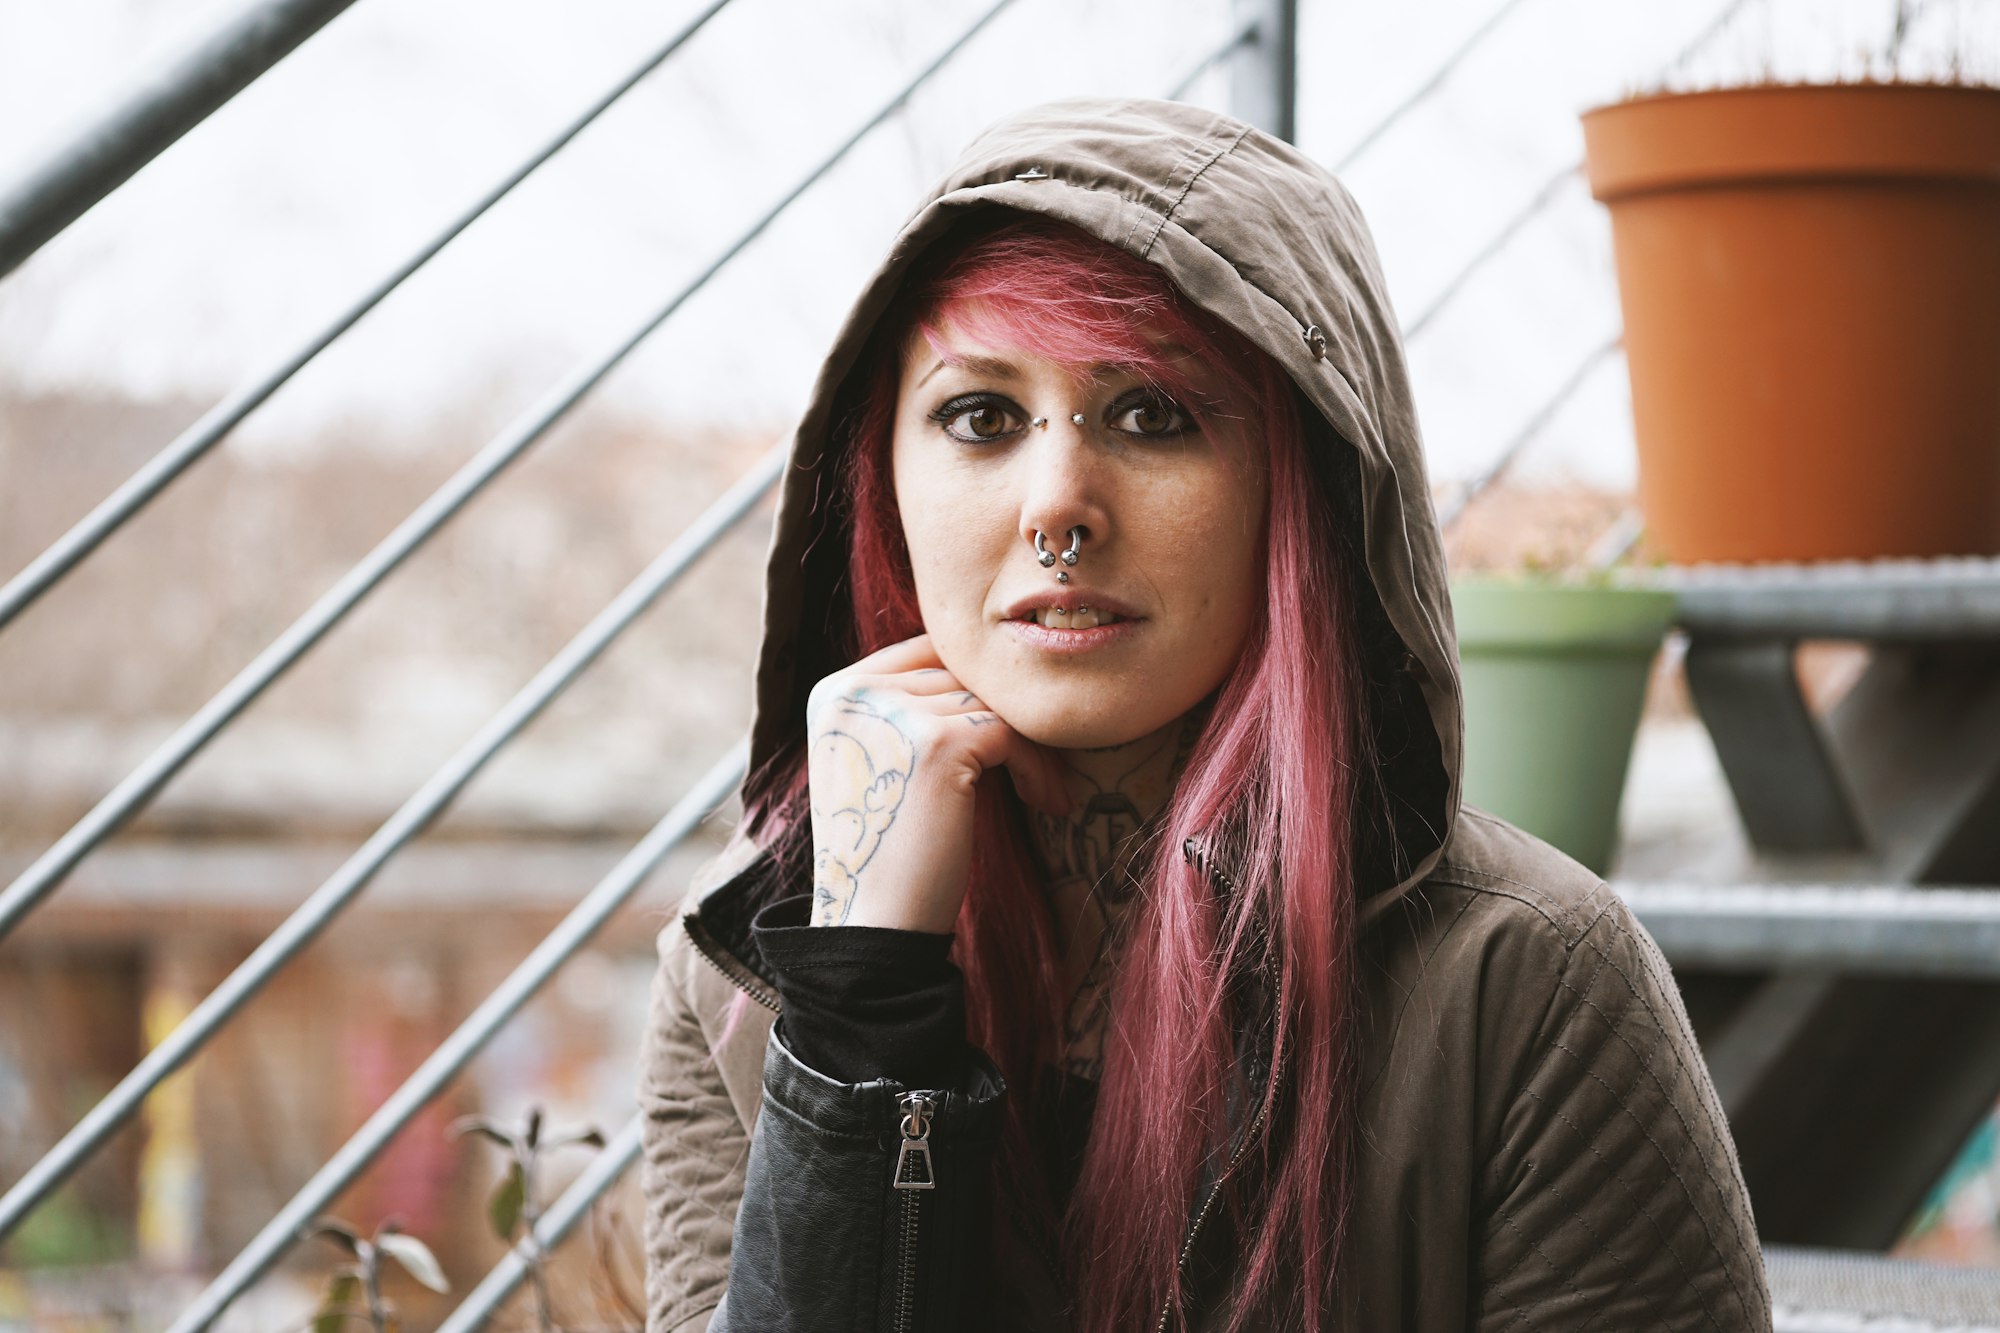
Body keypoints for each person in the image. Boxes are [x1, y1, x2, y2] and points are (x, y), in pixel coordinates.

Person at [639, 97, 1772, 1332]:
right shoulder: (742, 980)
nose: (1057, 507)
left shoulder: (1526, 984)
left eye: (1150, 415)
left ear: (1304, 490)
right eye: (981, 417)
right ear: (884, 483)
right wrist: (861, 1008)